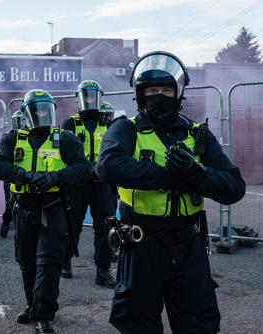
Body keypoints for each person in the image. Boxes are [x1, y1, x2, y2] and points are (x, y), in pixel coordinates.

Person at [96, 51, 246, 333]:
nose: (160, 95)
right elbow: (107, 166)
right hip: (141, 246)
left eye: (167, 89)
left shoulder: (197, 134)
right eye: (153, 90)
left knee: (199, 325)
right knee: (138, 325)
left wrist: (199, 174)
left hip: (189, 247)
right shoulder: (125, 129)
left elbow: (234, 186)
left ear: (179, 93)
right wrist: (170, 177)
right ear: (141, 94)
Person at [0, 89, 90, 334]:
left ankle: (44, 315)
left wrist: (54, 177)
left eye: (46, 108)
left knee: (48, 264)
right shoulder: (12, 138)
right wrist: (23, 175)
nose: (42, 113)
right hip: (23, 209)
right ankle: (32, 305)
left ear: (52, 110)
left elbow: (83, 168)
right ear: (26, 113)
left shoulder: (65, 138)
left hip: (53, 209)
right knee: (26, 262)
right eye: (36, 109)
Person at [60, 80, 116, 288]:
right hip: (77, 183)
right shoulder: (70, 124)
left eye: (94, 96)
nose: (90, 100)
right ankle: (65, 260)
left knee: (105, 226)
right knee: (72, 225)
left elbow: (113, 151)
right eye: (86, 96)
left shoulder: (107, 123)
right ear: (79, 99)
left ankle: (103, 270)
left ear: (100, 98)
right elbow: (63, 154)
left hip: (101, 183)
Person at [0, 110, 28, 238]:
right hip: (11, 175)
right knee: (10, 203)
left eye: (21, 120)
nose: (19, 123)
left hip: (25, 175)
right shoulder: (8, 136)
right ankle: (6, 223)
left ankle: (21, 232)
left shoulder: (30, 136)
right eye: (16, 120)